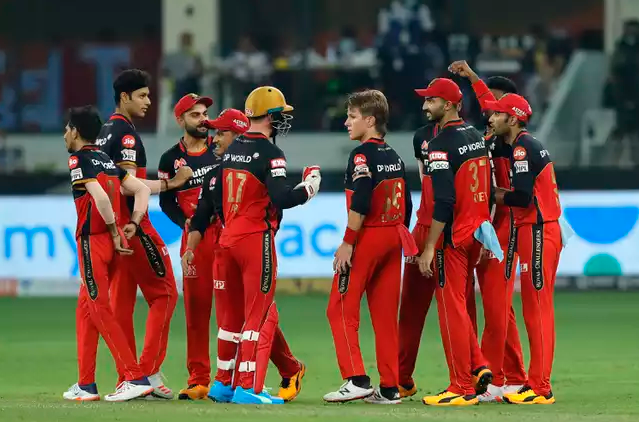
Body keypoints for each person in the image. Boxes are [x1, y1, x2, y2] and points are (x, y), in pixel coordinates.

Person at [212, 86, 321, 405]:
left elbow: (218, 198)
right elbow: (282, 197)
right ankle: (247, 387)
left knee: (231, 318)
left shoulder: (232, 149)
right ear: (271, 116)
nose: (283, 120)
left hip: (227, 238)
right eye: (280, 114)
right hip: (254, 240)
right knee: (256, 316)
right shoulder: (271, 153)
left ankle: (222, 383)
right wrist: (309, 187)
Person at [324, 90, 416, 404]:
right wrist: (399, 235)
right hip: (394, 237)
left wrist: (348, 243)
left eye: (352, 117)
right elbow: (408, 204)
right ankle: (390, 388)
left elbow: (361, 200)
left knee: (339, 307)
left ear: (370, 120)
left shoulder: (361, 155)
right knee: (386, 317)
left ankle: (357, 379)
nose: (347, 122)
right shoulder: (394, 156)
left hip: (369, 237)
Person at [415, 78, 502, 406]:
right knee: (461, 306)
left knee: (450, 308)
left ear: (449, 104)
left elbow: (444, 200)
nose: (426, 106)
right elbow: (488, 188)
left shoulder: (439, 145)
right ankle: (477, 365)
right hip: (478, 231)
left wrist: (429, 246)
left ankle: (461, 386)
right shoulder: (476, 137)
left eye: (432, 100)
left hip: (453, 236)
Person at [62, 105, 154, 402]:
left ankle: (134, 377)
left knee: (100, 309)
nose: (65, 134)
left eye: (67, 129)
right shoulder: (106, 159)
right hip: (114, 246)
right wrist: (134, 223)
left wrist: (114, 230)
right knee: (86, 309)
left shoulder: (78, 159)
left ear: (76, 131)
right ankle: (86, 384)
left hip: (94, 242)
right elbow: (142, 190)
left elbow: (99, 197)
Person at [448, 60, 528, 402]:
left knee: (496, 308)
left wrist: (472, 78)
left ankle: (495, 378)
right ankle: (516, 377)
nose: (490, 113)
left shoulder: (513, 142)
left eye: (498, 108)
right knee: (500, 309)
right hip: (487, 228)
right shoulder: (486, 140)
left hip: (505, 229)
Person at [98, 69, 178, 398]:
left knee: (122, 304)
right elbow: (130, 186)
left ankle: (128, 377)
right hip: (134, 225)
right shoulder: (126, 135)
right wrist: (171, 184)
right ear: (124, 97)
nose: (148, 101)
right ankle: (146, 373)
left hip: (111, 228)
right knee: (165, 294)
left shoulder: (104, 131)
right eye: (142, 96)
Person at [157, 95, 237, 400]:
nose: (203, 119)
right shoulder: (170, 159)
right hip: (194, 241)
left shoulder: (221, 150)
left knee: (232, 311)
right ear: (180, 120)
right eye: (195, 115)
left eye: (205, 113)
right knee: (196, 312)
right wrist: (185, 222)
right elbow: (166, 202)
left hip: (225, 236)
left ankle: (233, 378)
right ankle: (198, 380)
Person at [489, 94, 561, 405]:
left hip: (537, 230)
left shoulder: (521, 149)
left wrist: (491, 193)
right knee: (536, 309)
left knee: (536, 310)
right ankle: (536, 382)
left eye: (498, 114)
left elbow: (522, 198)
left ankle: (540, 387)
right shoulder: (528, 144)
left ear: (513, 119)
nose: (492, 118)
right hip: (539, 230)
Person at [178, 109, 253, 402]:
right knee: (232, 318)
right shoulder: (213, 176)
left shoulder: (256, 168)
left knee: (255, 316)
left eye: (221, 133)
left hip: (251, 252)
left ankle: (257, 378)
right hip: (224, 252)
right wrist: (190, 248)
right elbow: (200, 217)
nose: (215, 138)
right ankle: (227, 382)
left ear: (238, 136)